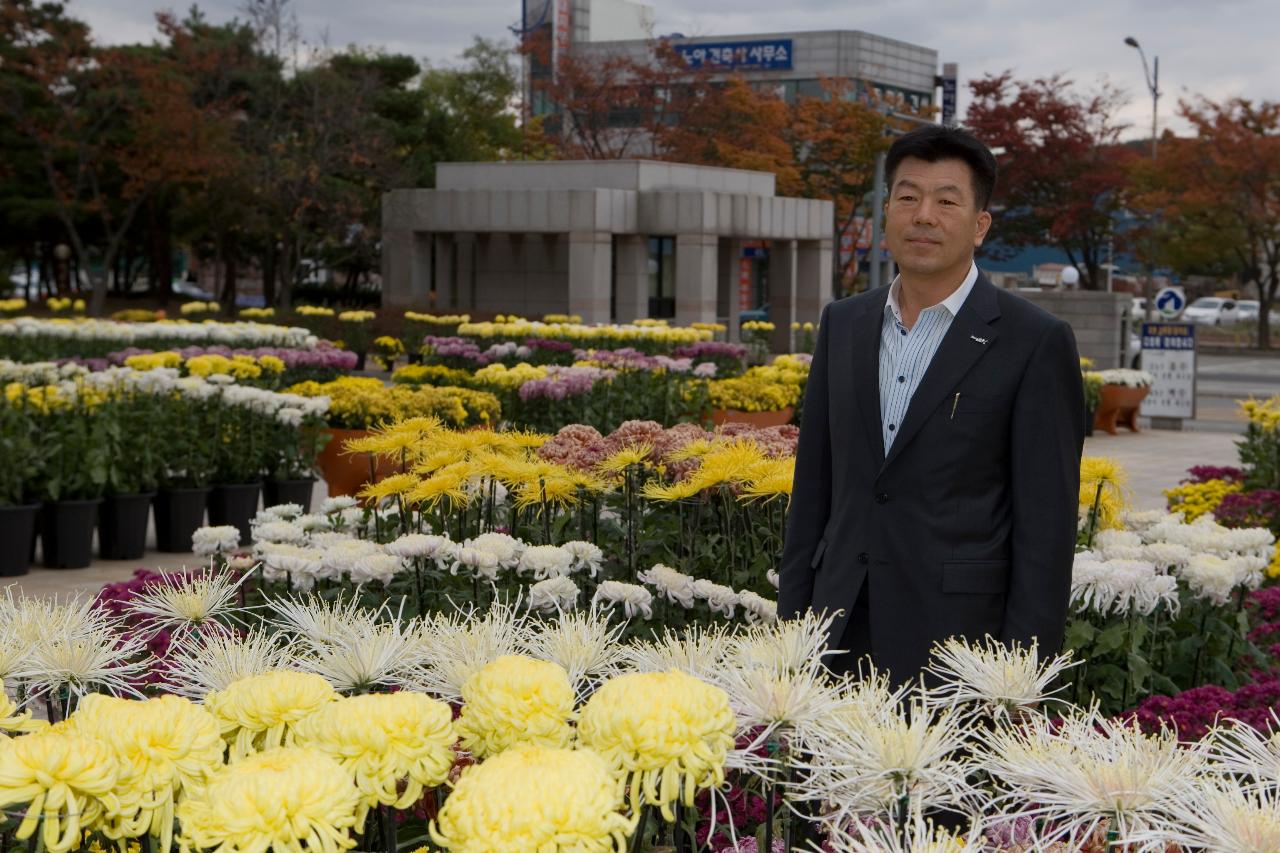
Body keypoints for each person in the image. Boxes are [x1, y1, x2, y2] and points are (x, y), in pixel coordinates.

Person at [777, 125, 1085, 683]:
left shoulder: (1033, 340)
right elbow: (813, 487)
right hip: (837, 626)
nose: (924, 215)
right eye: (909, 196)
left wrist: (1021, 677)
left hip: (960, 642)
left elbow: (1047, 527)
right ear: (888, 211)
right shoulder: (843, 323)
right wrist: (793, 629)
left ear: (980, 225)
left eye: (947, 201)